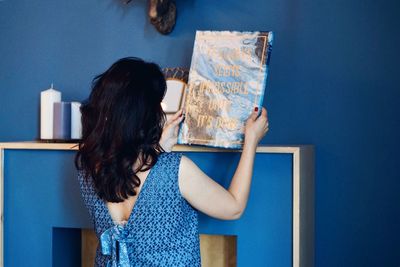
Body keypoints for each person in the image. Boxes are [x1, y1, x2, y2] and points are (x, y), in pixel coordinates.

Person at [75, 57, 269, 267]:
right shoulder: (176, 170)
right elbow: (234, 207)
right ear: (146, 115)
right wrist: (251, 141)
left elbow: (136, 181)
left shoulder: (88, 169)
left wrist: (158, 149)